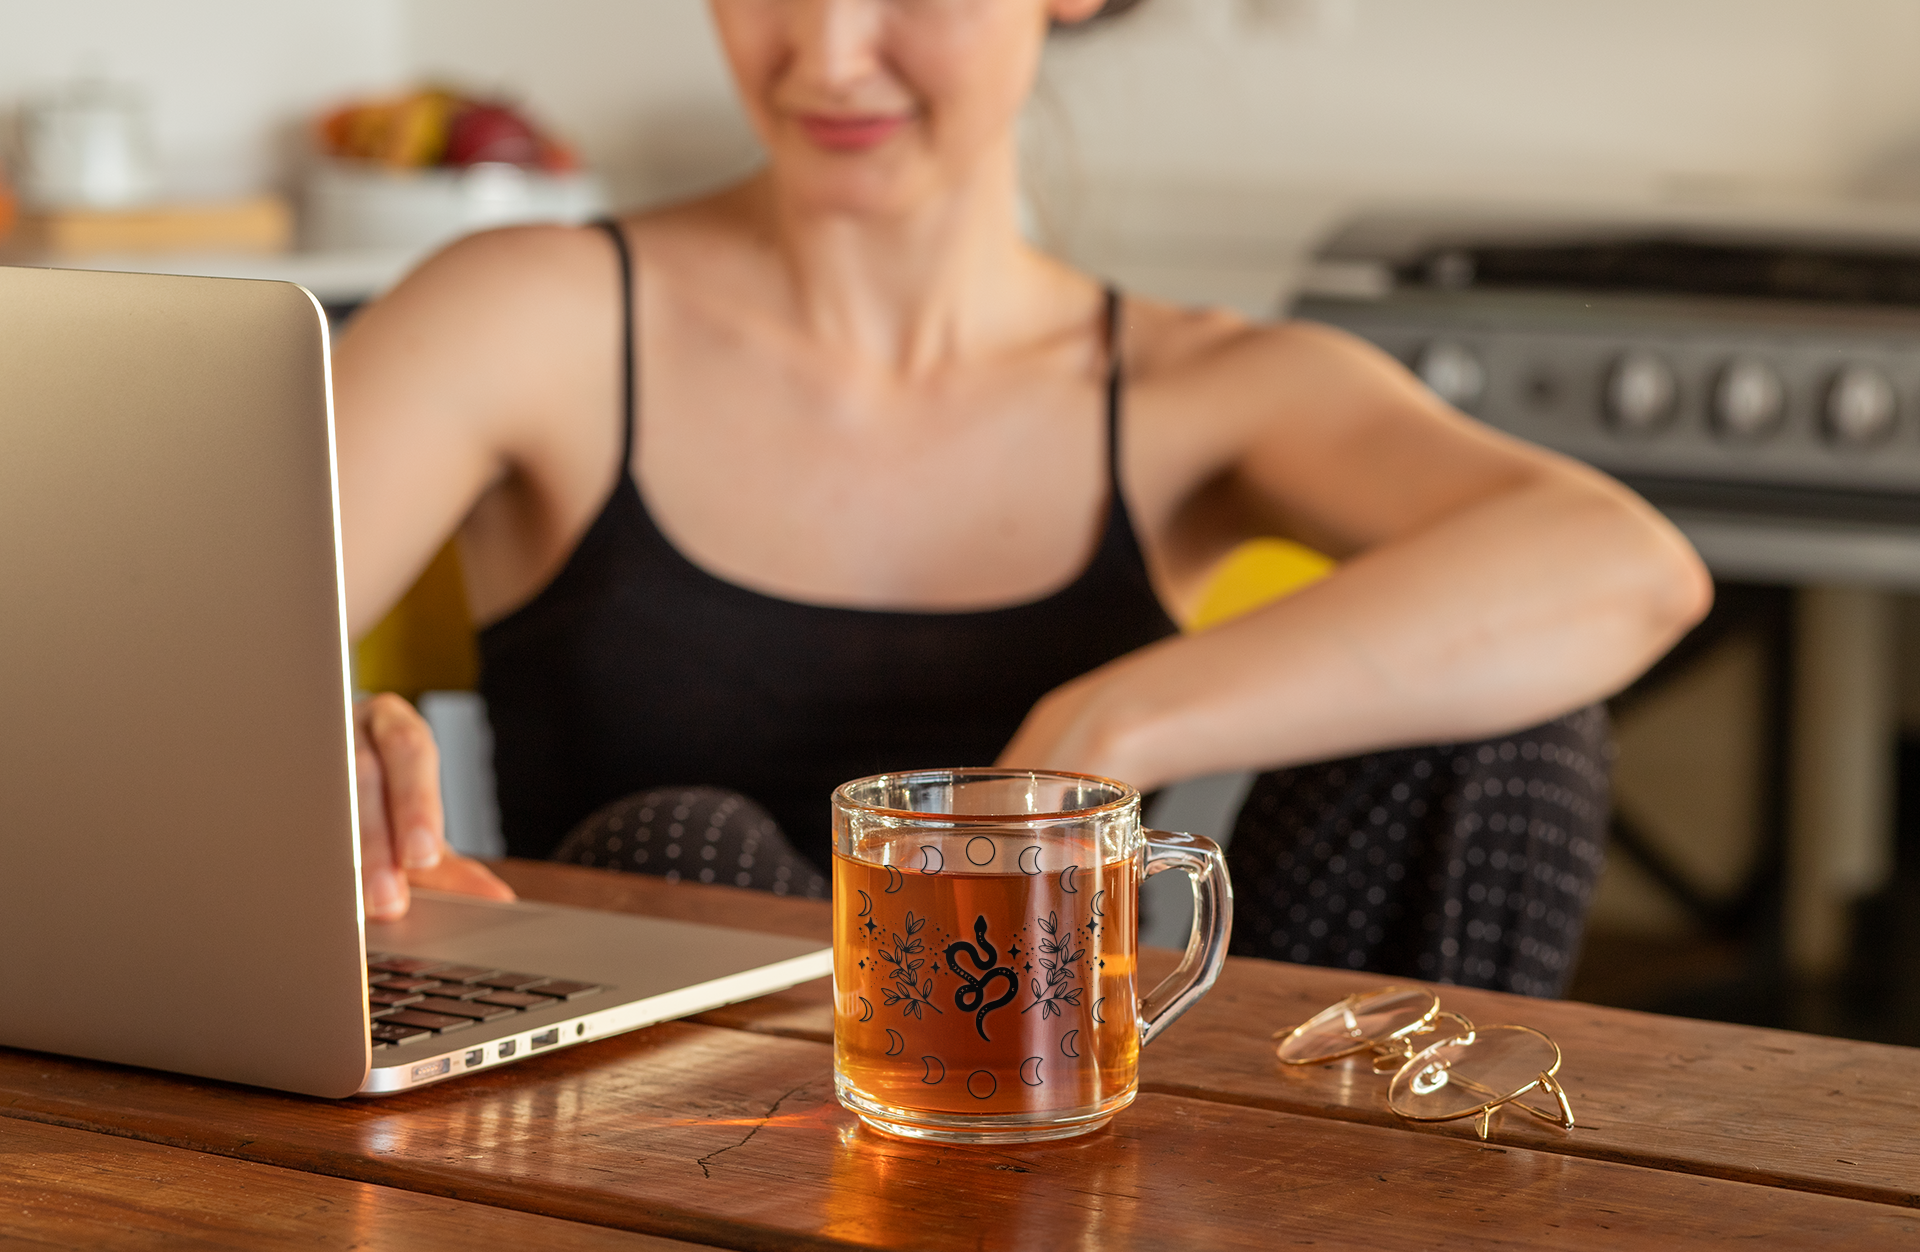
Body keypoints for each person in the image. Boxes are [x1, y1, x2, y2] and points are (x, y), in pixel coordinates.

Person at [336, 0, 1711, 996]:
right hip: (670, 1166)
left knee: (1506, 729)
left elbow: (1622, 564)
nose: (824, 51)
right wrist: (293, 738)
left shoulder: (1201, 386)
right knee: (678, 846)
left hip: (1085, 1119)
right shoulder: (532, 316)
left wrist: (1096, 732)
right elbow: (158, 630)